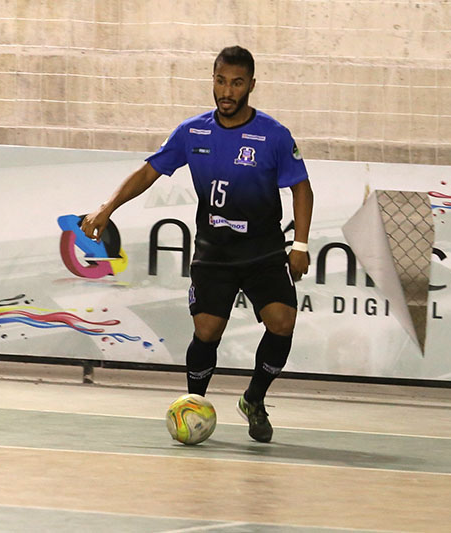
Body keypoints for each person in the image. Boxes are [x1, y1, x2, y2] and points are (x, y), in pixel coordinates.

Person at [83, 46, 313, 443]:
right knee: (207, 331)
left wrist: (301, 246)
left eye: (237, 83)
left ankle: (254, 399)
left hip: (262, 250)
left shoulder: (273, 136)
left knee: (283, 322)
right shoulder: (192, 132)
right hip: (214, 251)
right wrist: (107, 209)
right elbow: (148, 171)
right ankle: (194, 405)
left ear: (251, 86)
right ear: (213, 80)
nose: (227, 90)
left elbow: (301, 188)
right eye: (221, 81)